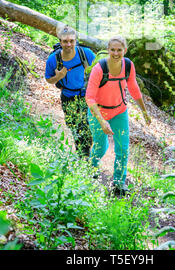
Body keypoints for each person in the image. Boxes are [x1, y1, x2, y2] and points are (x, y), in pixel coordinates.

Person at [85, 35, 151, 196]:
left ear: (125, 51)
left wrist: (144, 112)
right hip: (98, 112)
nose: (116, 53)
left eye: (119, 50)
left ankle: (118, 184)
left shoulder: (128, 65)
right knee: (101, 148)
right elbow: (90, 97)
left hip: (119, 111)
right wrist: (101, 121)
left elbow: (134, 89)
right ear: (108, 50)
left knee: (123, 149)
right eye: (112, 50)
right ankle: (90, 168)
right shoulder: (99, 69)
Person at [45, 25, 95, 157]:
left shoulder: (86, 54)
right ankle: (84, 161)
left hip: (87, 97)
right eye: (65, 41)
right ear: (60, 42)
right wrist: (58, 77)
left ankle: (85, 159)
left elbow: (99, 71)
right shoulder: (53, 59)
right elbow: (48, 79)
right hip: (68, 97)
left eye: (71, 41)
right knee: (76, 130)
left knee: (87, 130)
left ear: (75, 41)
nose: (68, 44)